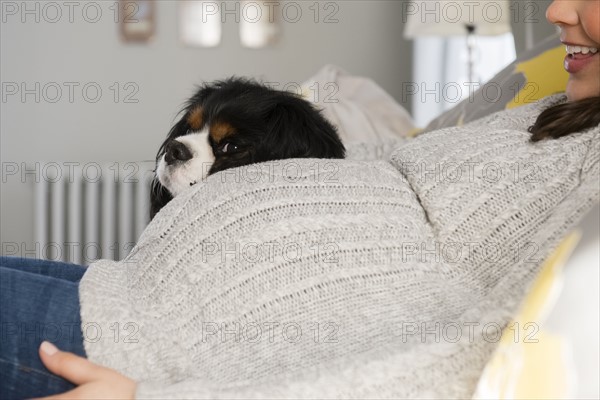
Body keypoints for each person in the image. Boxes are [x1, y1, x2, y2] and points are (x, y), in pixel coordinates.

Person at [1, 0, 598, 398]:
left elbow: (466, 348)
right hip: (129, 297)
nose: (554, 10)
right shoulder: (554, 111)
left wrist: (153, 395)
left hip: (151, 354)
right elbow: (391, 167)